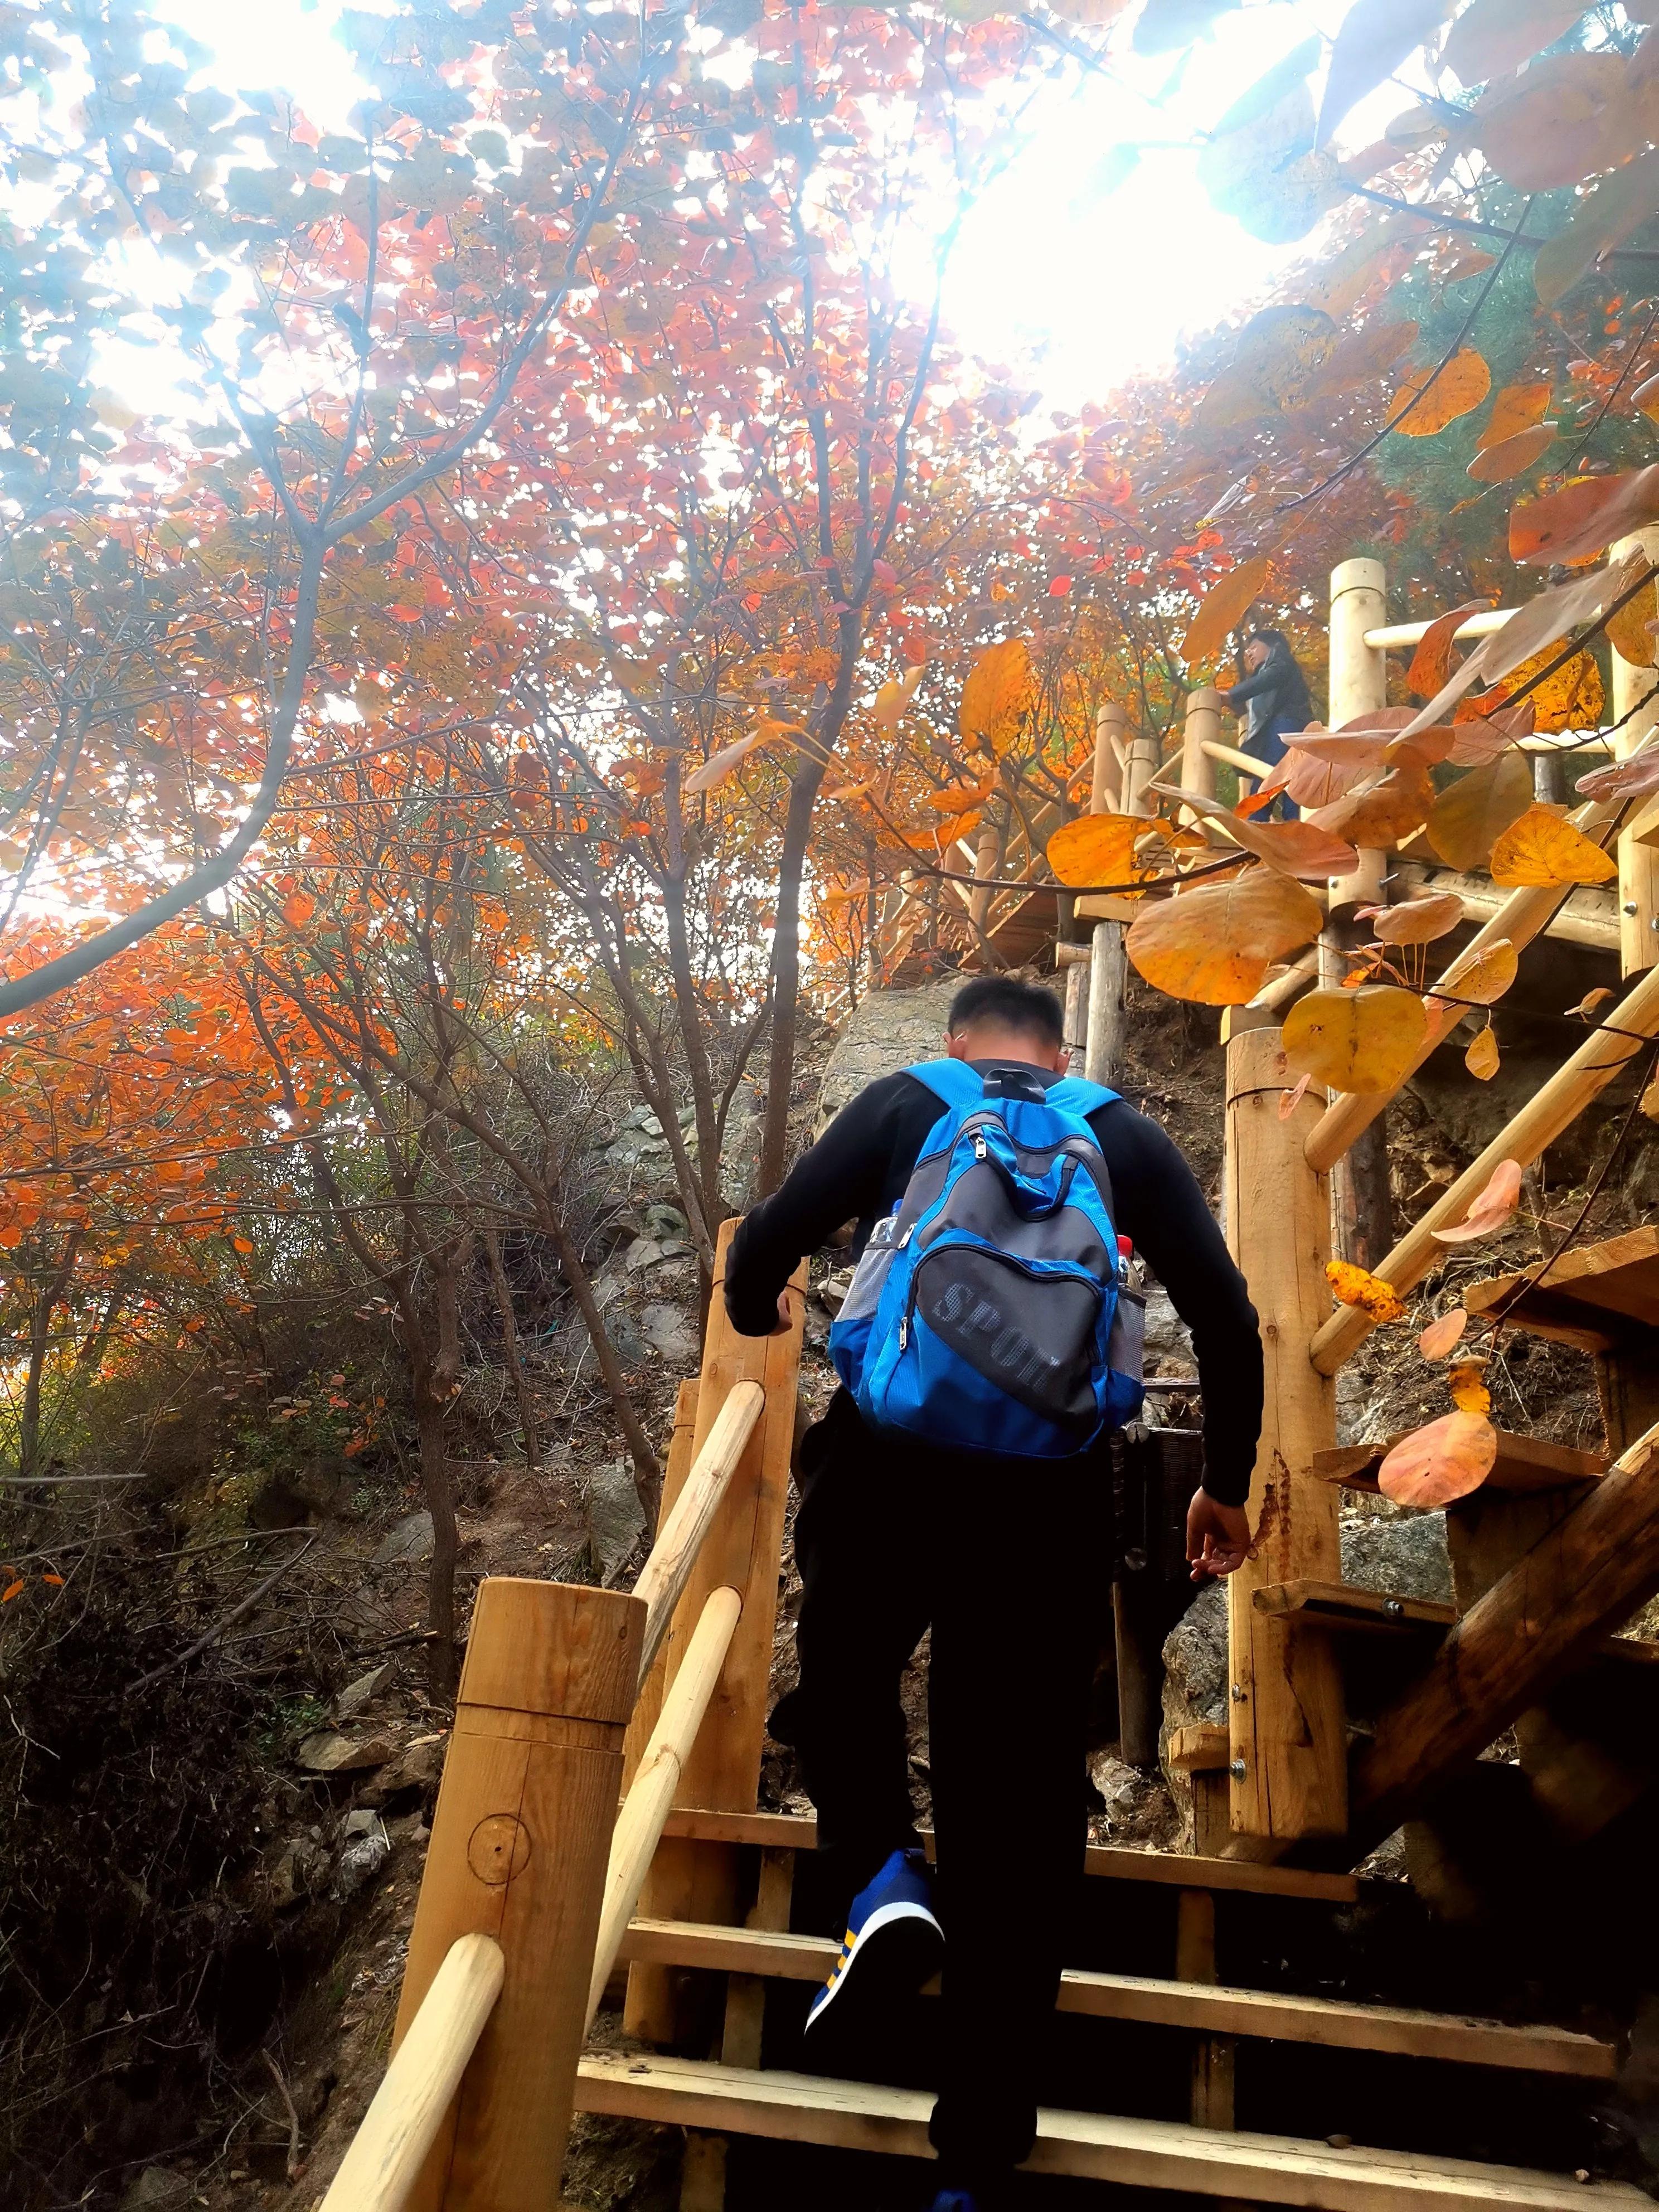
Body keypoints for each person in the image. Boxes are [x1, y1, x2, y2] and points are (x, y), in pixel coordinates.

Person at [724, 975, 1264, 2212]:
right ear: (1059, 1049)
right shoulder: (1118, 1130)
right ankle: (974, 2159)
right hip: (1050, 1497)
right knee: (1014, 1800)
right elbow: (1227, 1318)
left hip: (887, 1464)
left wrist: (756, 1303)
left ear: (959, 1040)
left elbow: (773, 1234)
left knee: (846, 1677)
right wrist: (1222, 1482)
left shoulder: (911, 1098)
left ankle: (880, 1884)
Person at [1222, 626, 1314, 819]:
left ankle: (1255, 827)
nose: (1248, 653)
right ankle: (1293, 832)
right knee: (1290, 782)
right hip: (1284, 726)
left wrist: (1231, 695)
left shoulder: (1281, 663)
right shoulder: (1266, 673)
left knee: (1270, 778)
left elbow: (1268, 680)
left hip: (1288, 724)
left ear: (1274, 647)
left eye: (1254, 647)